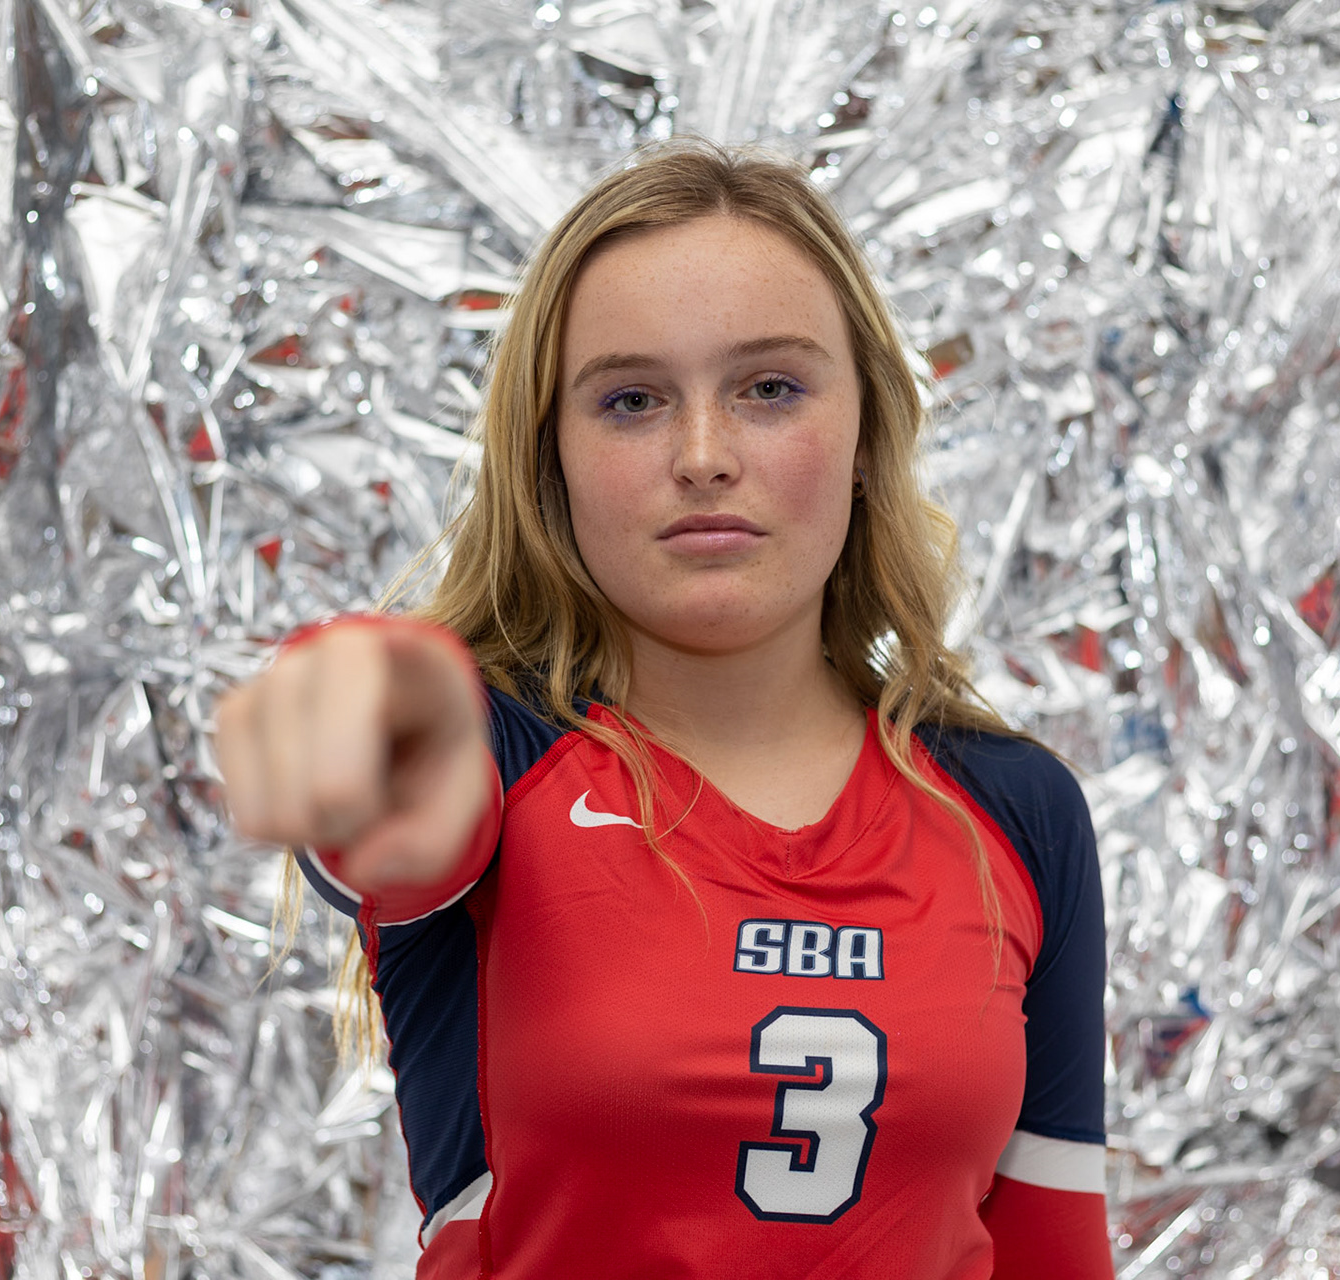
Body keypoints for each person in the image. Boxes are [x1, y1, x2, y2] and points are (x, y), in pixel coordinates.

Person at [212, 136, 1112, 1278]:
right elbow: (380, 763)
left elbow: (1054, 1255)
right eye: (631, 400)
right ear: (555, 461)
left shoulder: (1016, 809)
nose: (702, 455)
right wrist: (342, 707)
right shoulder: (500, 757)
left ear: (868, 437)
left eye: (770, 388)